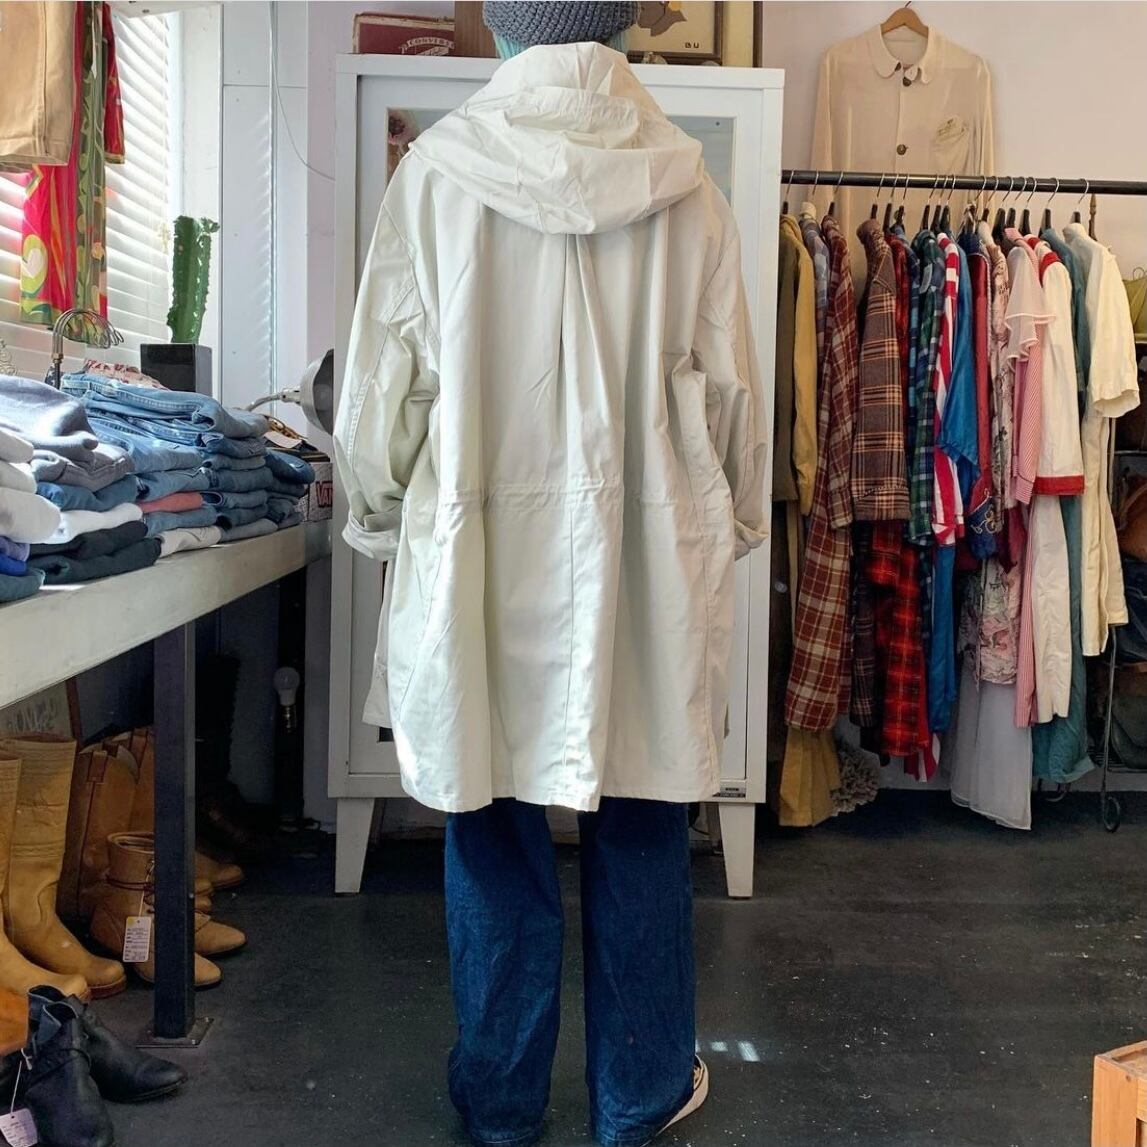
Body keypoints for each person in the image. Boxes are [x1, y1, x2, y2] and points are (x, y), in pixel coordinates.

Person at [333, 3, 768, 1144]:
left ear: (504, 28)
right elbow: (729, 392)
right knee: (642, 816)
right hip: (645, 560)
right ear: (621, 29)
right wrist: (732, 522)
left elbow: (384, 385)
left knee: (487, 816)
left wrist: (379, 513)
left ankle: (499, 1101)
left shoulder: (437, 176)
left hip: (481, 549)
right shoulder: (688, 187)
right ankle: (639, 1094)